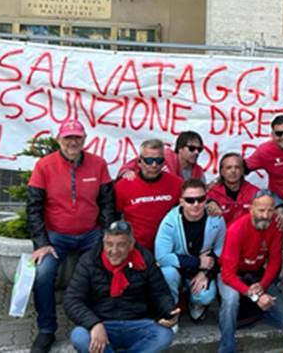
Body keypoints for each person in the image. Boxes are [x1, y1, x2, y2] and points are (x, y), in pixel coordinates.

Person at [26, 120, 117, 353]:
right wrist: (41, 243)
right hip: (56, 237)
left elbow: (107, 203)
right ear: (59, 140)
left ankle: (97, 322)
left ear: (84, 139)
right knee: (43, 274)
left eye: (77, 137)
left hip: (91, 235)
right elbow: (33, 207)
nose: (73, 142)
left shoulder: (98, 164)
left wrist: (106, 235)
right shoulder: (44, 166)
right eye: (68, 138)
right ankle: (46, 329)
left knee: (102, 272)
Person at [63, 220, 178, 353]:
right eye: (109, 244)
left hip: (137, 323)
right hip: (102, 323)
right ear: (103, 242)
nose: (114, 250)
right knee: (79, 336)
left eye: (121, 245)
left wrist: (169, 313)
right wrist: (93, 324)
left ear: (131, 245)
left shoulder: (145, 258)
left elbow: (160, 293)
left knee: (164, 335)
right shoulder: (88, 261)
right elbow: (72, 300)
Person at [218, 190, 283, 353]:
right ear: (251, 209)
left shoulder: (275, 227)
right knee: (230, 300)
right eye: (261, 210)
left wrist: (262, 285)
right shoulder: (236, 230)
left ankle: (252, 311)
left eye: (270, 210)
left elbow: (275, 262)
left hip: (257, 274)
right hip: (234, 275)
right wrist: (255, 296)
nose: (265, 215)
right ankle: (227, 347)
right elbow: (227, 274)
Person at [155, 178, 226, 322]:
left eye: (200, 199)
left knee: (205, 296)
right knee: (167, 272)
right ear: (181, 201)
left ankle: (195, 302)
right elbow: (161, 257)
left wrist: (205, 272)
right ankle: (171, 310)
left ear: (206, 199)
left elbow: (221, 251)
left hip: (200, 268)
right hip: (179, 267)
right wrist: (198, 262)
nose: (196, 205)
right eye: (190, 200)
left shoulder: (216, 219)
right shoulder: (170, 221)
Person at [114, 139, 184, 250]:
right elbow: (113, 216)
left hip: (168, 246)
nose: (154, 165)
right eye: (149, 160)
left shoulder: (177, 183)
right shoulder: (123, 185)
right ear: (139, 162)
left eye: (159, 160)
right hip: (136, 248)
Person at [117, 130, 206, 181]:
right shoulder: (163, 157)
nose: (196, 152)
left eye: (199, 149)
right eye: (191, 148)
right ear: (180, 148)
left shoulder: (198, 173)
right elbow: (138, 162)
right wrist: (126, 172)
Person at [206, 152, 260, 226]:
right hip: (222, 236)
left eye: (237, 167)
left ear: (242, 171)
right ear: (222, 172)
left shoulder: (255, 192)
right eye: (229, 167)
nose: (233, 171)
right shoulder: (211, 194)